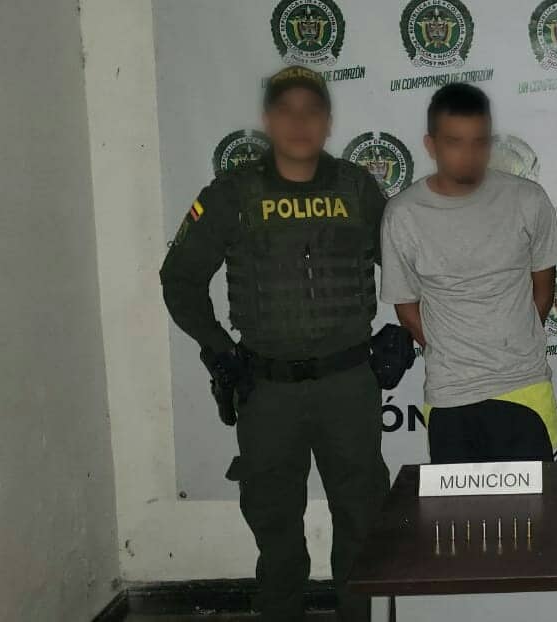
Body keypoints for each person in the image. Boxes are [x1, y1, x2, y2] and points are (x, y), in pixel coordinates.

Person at [159, 66, 392, 621]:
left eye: (312, 110)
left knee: (363, 524)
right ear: (267, 120)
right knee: (275, 529)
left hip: (346, 385)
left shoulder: (358, 189)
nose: (299, 122)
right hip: (267, 391)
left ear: (328, 121)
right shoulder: (232, 194)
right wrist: (218, 349)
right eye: (285, 110)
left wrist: (403, 331)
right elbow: (180, 279)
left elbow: (411, 266)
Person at [381, 83, 557, 464]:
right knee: (460, 505)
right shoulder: (403, 214)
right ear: (431, 145)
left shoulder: (528, 200)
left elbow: (543, 290)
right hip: (451, 393)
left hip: (525, 384)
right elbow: (406, 307)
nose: (469, 155)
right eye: (455, 142)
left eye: (479, 142)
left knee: (543, 501)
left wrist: (513, 342)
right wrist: (454, 351)